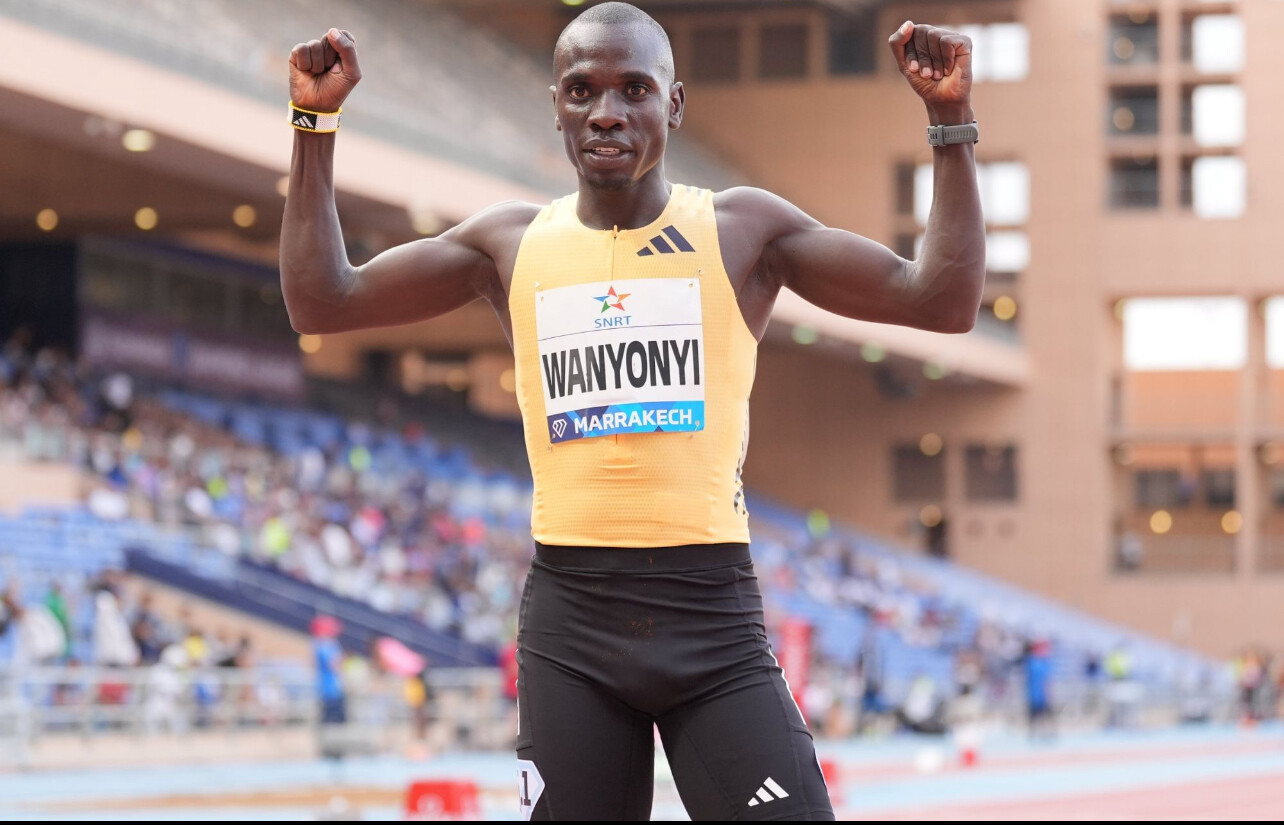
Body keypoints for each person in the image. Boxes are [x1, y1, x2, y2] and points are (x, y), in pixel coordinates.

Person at [280, 4, 983, 819]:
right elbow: (322, 300)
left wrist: (950, 122)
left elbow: (939, 299)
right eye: (582, 90)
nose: (606, 112)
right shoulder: (508, 245)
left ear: (674, 104)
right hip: (571, 629)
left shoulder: (740, 232)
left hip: (711, 620)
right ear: (556, 106)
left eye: (633, 90)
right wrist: (312, 123)